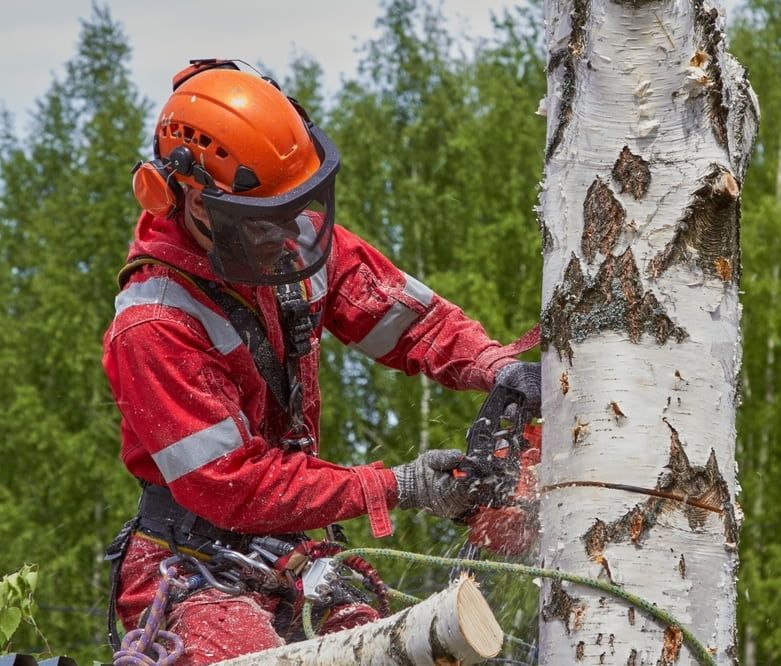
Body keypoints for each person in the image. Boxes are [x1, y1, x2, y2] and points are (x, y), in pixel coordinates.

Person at [102, 59, 540, 665]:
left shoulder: (281, 239)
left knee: (391, 649)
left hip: (293, 550)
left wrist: (494, 367)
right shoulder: (154, 326)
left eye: (293, 208)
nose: (286, 233)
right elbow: (233, 483)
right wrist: (395, 485)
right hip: (195, 567)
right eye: (262, 219)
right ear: (185, 198)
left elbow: (407, 319)